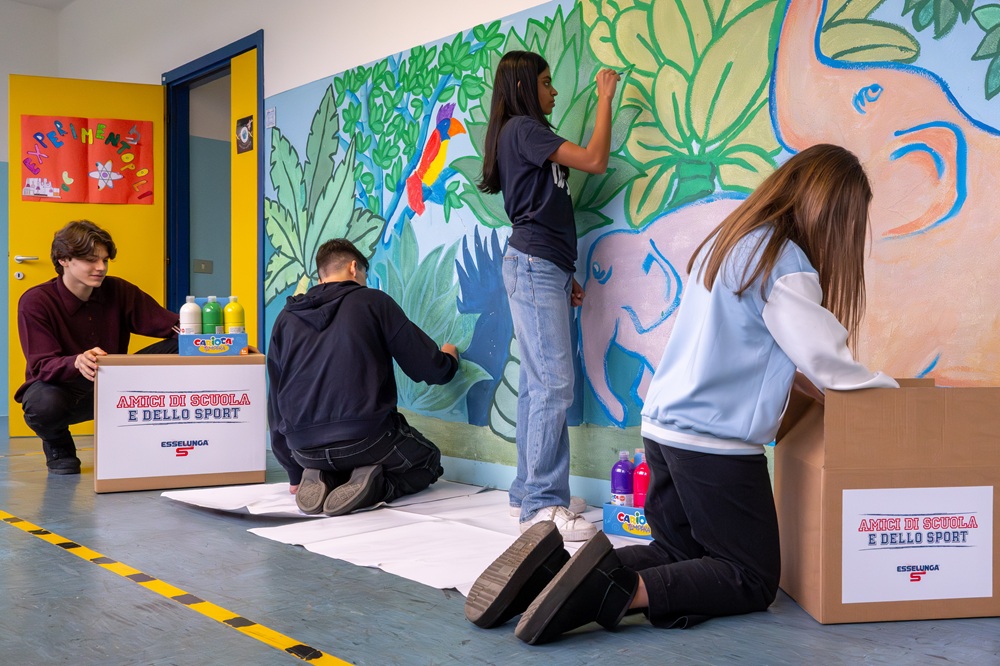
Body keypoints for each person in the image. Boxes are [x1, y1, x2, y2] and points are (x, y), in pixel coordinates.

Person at [464, 144, 900, 641]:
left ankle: (551, 571)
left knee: (680, 554)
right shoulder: (784, 261)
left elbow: (762, 350)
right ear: (831, 211)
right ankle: (613, 593)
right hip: (715, 448)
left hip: (663, 431)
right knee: (752, 578)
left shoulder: (734, 242)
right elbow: (827, 362)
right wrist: (897, 398)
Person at [478, 50, 621, 542]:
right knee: (554, 382)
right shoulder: (524, 129)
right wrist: (605, 98)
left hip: (545, 267)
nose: (554, 91)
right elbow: (596, 161)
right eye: (546, 82)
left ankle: (530, 491)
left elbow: (548, 208)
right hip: (535, 264)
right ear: (523, 88)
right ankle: (543, 502)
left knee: (543, 383)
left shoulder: (520, 135)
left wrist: (565, 272)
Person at [266, 238, 459, 517]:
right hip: (366, 440)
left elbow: (275, 400)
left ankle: (324, 477)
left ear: (320, 276)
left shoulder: (286, 318)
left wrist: (294, 470)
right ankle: (375, 488)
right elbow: (426, 368)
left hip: (304, 450)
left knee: (338, 457)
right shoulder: (372, 301)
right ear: (354, 268)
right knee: (428, 461)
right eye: (366, 274)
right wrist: (449, 359)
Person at [15, 220, 179, 475]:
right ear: (63, 259)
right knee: (42, 405)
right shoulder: (36, 301)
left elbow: (172, 326)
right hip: (64, 389)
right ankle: (58, 444)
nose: (100, 268)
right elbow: (41, 365)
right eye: (91, 260)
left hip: (114, 381)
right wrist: (76, 361)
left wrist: (217, 341)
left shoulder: (119, 290)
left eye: (105, 260)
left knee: (185, 346)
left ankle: (165, 436)